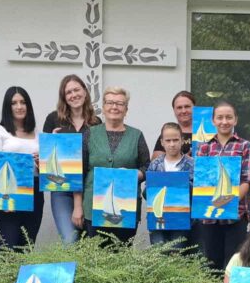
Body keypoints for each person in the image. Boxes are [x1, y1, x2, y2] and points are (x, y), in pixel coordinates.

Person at [82, 86, 150, 244]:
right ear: (103, 107)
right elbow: (80, 172)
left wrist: (135, 174)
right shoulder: (90, 134)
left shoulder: (136, 135)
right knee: (96, 254)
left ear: (126, 109)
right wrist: (78, 207)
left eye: (120, 103)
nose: (114, 107)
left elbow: (147, 166)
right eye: (110, 102)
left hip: (126, 207)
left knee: (122, 253)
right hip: (93, 206)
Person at [196, 101, 250, 270]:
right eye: (220, 117)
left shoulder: (245, 146)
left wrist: (228, 203)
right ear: (213, 121)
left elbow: (247, 179)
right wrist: (214, 204)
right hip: (209, 217)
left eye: (229, 117)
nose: (224, 121)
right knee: (211, 264)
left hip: (235, 215)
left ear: (235, 120)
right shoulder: (204, 148)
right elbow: (202, 182)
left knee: (234, 263)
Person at [42, 74, 99, 243]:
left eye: (76, 90)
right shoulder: (53, 119)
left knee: (90, 243)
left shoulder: (96, 123)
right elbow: (45, 159)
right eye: (69, 92)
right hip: (62, 189)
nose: (73, 95)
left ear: (85, 92)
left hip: (89, 189)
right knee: (70, 240)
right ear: (64, 97)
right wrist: (51, 144)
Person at [0, 86, 42, 251]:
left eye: (23, 102)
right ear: (7, 107)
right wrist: (5, 196)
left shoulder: (37, 133)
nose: (19, 106)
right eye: (14, 103)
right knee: (6, 249)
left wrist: (41, 163)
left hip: (34, 192)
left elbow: (44, 169)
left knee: (26, 248)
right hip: (6, 190)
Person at [146, 122, 194, 248]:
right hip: (157, 220)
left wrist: (182, 186)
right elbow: (147, 192)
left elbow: (197, 193)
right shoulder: (155, 164)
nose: (172, 144)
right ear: (162, 142)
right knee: (158, 251)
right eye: (168, 140)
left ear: (182, 140)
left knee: (177, 252)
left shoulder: (191, 164)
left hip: (181, 220)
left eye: (175, 140)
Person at [152, 91, 195, 157]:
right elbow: (156, 161)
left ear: (195, 107)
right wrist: (183, 160)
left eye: (187, 106)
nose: (183, 111)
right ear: (174, 110)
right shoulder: (168, 133)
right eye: (179, 107)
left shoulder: (207, 133)